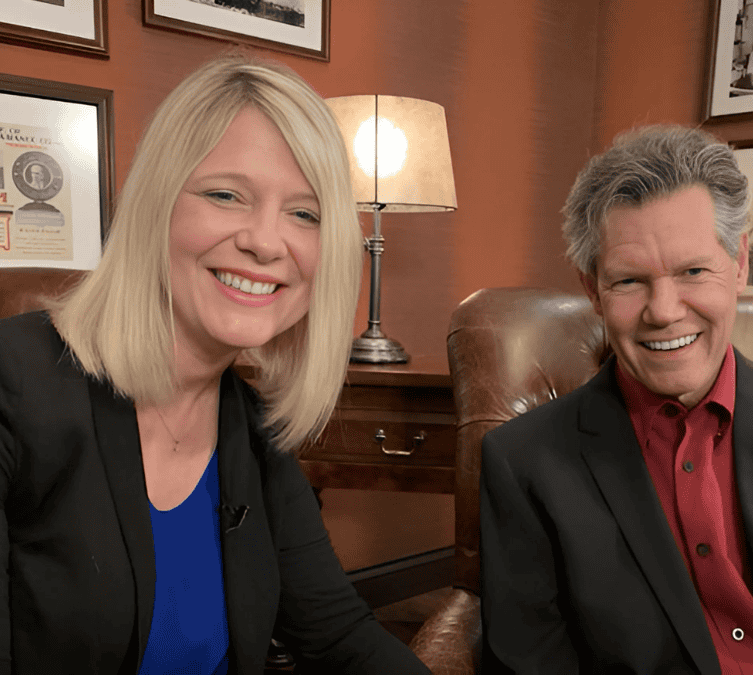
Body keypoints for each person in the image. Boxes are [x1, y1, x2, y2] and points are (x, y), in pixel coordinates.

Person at [0, 54, 431, 674]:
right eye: (226, 195)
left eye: (304, 213)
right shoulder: (13, 384)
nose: (265, 241)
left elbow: (339, 636)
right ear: (155, 205)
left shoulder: (254, 432)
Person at [480, 125, 753, 673]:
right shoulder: (522, 462)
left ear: (740, 263)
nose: (664, 310)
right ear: (593, 290)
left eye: (693, 271)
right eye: (629, 281)